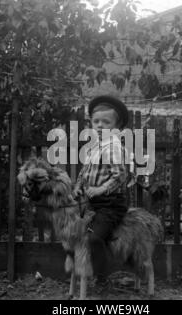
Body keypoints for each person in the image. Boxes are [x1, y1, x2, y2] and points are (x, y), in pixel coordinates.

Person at [73, 95, 129, 292]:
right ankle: (81, 270)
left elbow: (120, 175)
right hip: (93, 203)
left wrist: (99, 189)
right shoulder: (94, 147)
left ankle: (103, 278)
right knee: (73, 230)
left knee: (94, 238)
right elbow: (84, 171)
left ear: (117, 126)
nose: (100, 125)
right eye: (96, 121)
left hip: (110, 203)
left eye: (106, 122)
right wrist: (79, 185)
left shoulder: (114, 147)